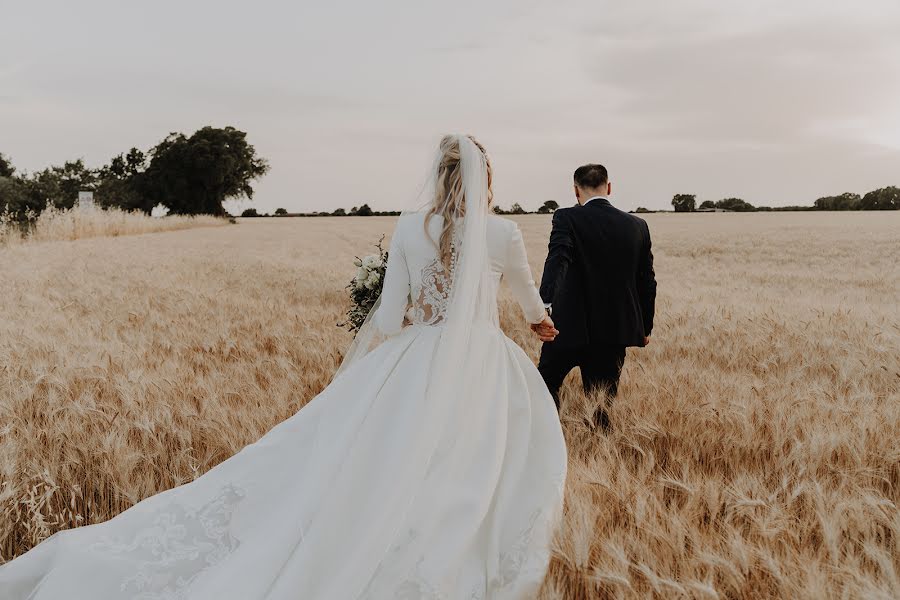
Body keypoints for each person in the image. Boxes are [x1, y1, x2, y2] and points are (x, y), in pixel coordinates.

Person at [0, 135, 568, 599]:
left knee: (373, 457)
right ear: (484, 178)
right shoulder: (503, 233)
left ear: (439, 177)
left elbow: (391, 318)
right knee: (470, 463)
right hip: (481, 365)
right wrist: (542, 324)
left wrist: (409, 315)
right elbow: (526, 301)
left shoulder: (408, 227)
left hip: (409, 361)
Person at [536, 163, 657, 431]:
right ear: (609, 187)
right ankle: (600, 454)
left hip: (566, 328)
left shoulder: (566, 217)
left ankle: (551, 443)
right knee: (601, 410)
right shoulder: (638, 225)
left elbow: (557, 260)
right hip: (612, 333)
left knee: (543, 390)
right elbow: (647, 282)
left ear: (576, 190)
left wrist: (543, 306)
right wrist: (645, 327)